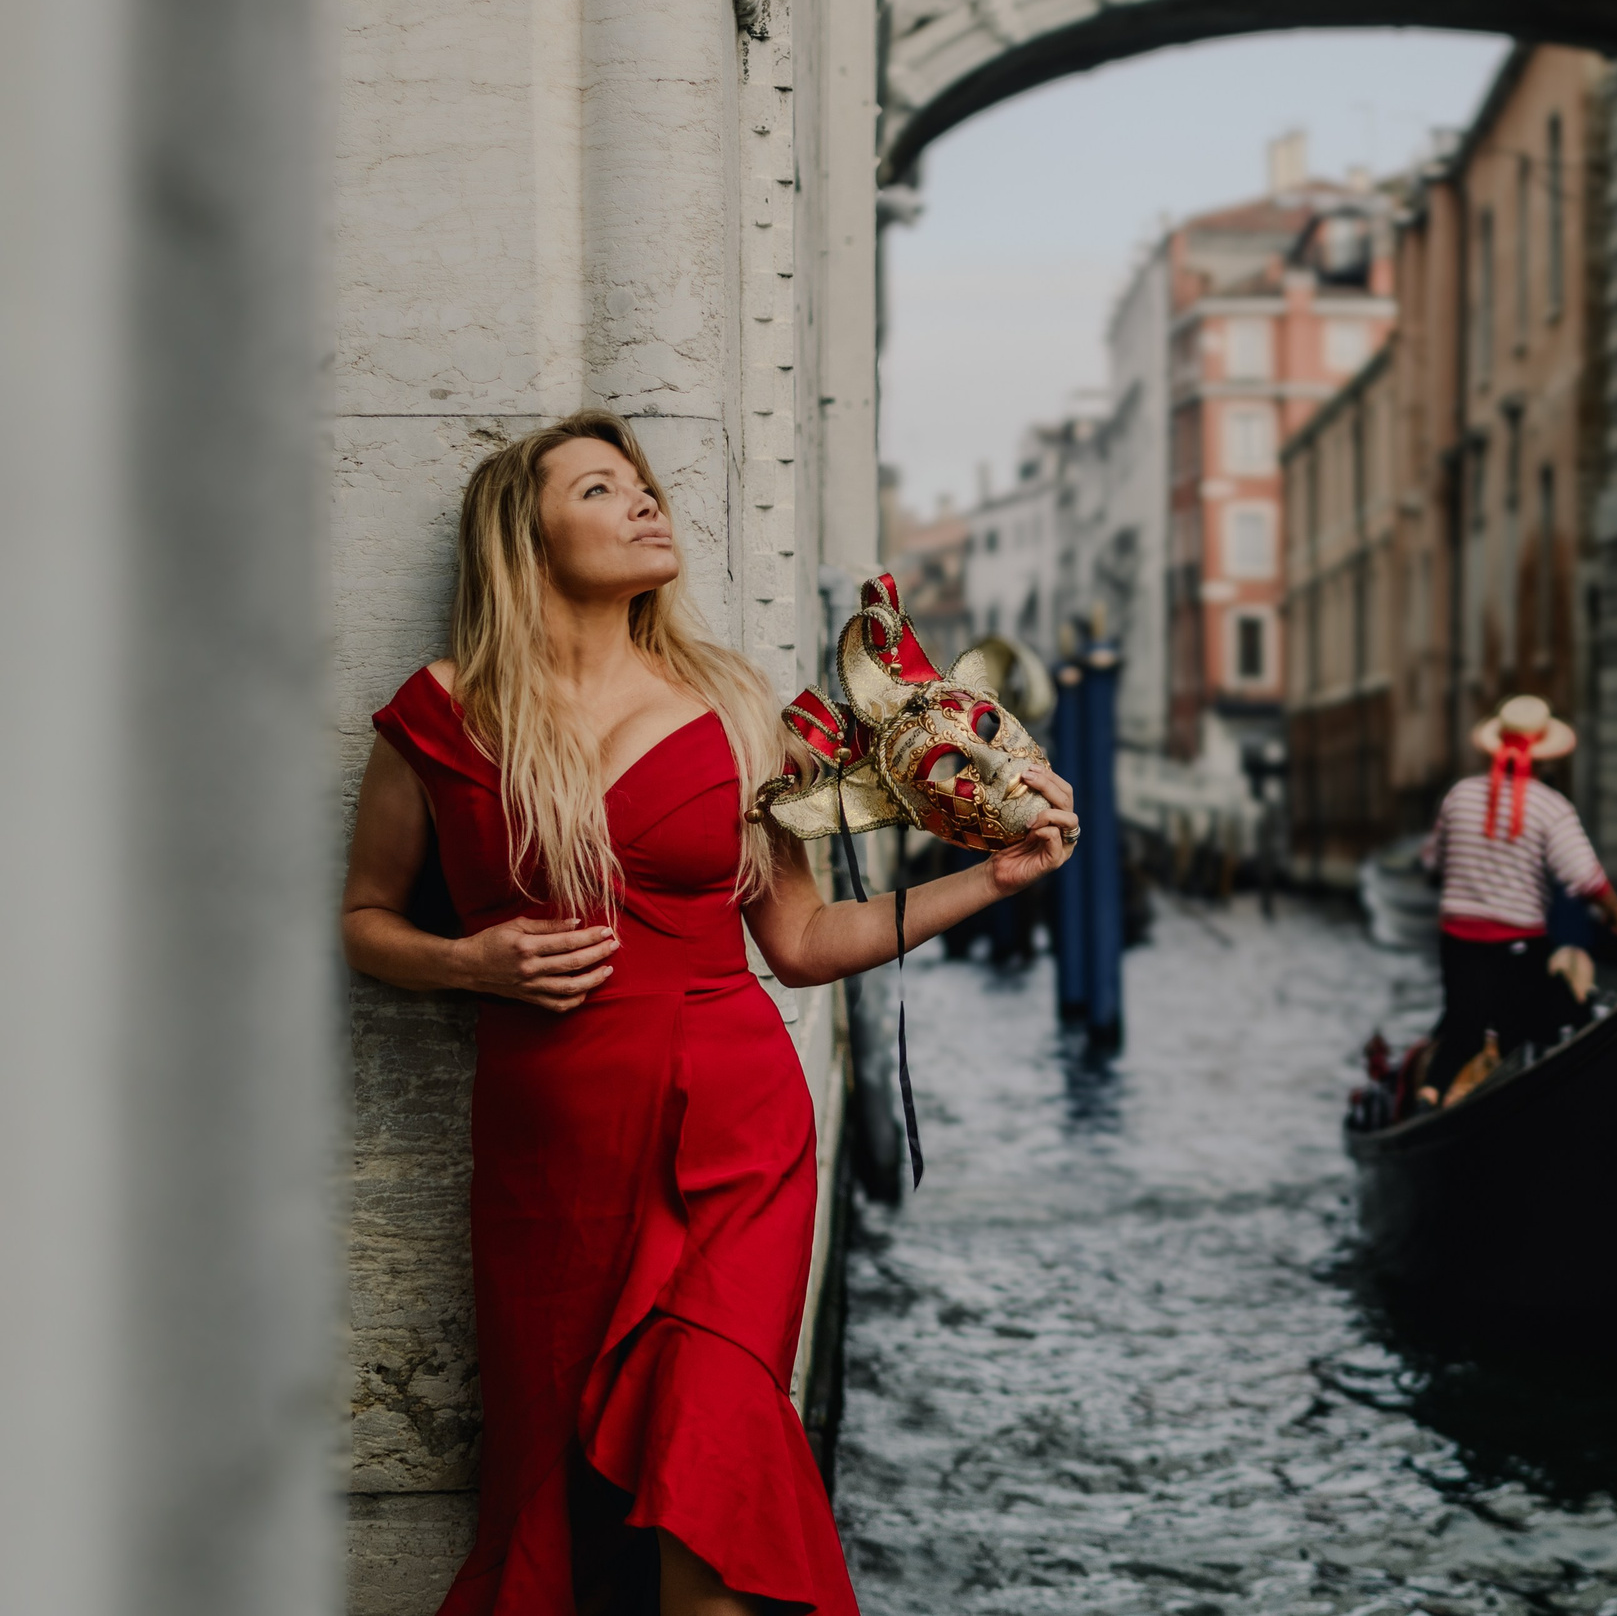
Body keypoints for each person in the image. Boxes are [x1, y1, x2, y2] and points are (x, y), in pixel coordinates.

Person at [341, 411, 1077, 1616]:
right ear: (523, 535)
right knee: (553, 1491)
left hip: (738, 1132)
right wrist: (473, 963)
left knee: (713, 1467)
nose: (645, 502)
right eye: (599, 488)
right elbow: (363, 918)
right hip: (553, 1151)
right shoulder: (445, 712)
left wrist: (989, 880)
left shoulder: (741, 708)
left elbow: (795, 941)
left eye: (644, 483)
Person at [1417, 695, 1617, 1100]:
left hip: (1457, 939)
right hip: (1517, 943)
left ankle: (1431, 1093)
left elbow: (1433, 861)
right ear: (1545, 755)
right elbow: (1587, 878)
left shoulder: (1458, 796)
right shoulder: (1552, 808)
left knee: (1463, 1025)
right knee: (1528, 1032)